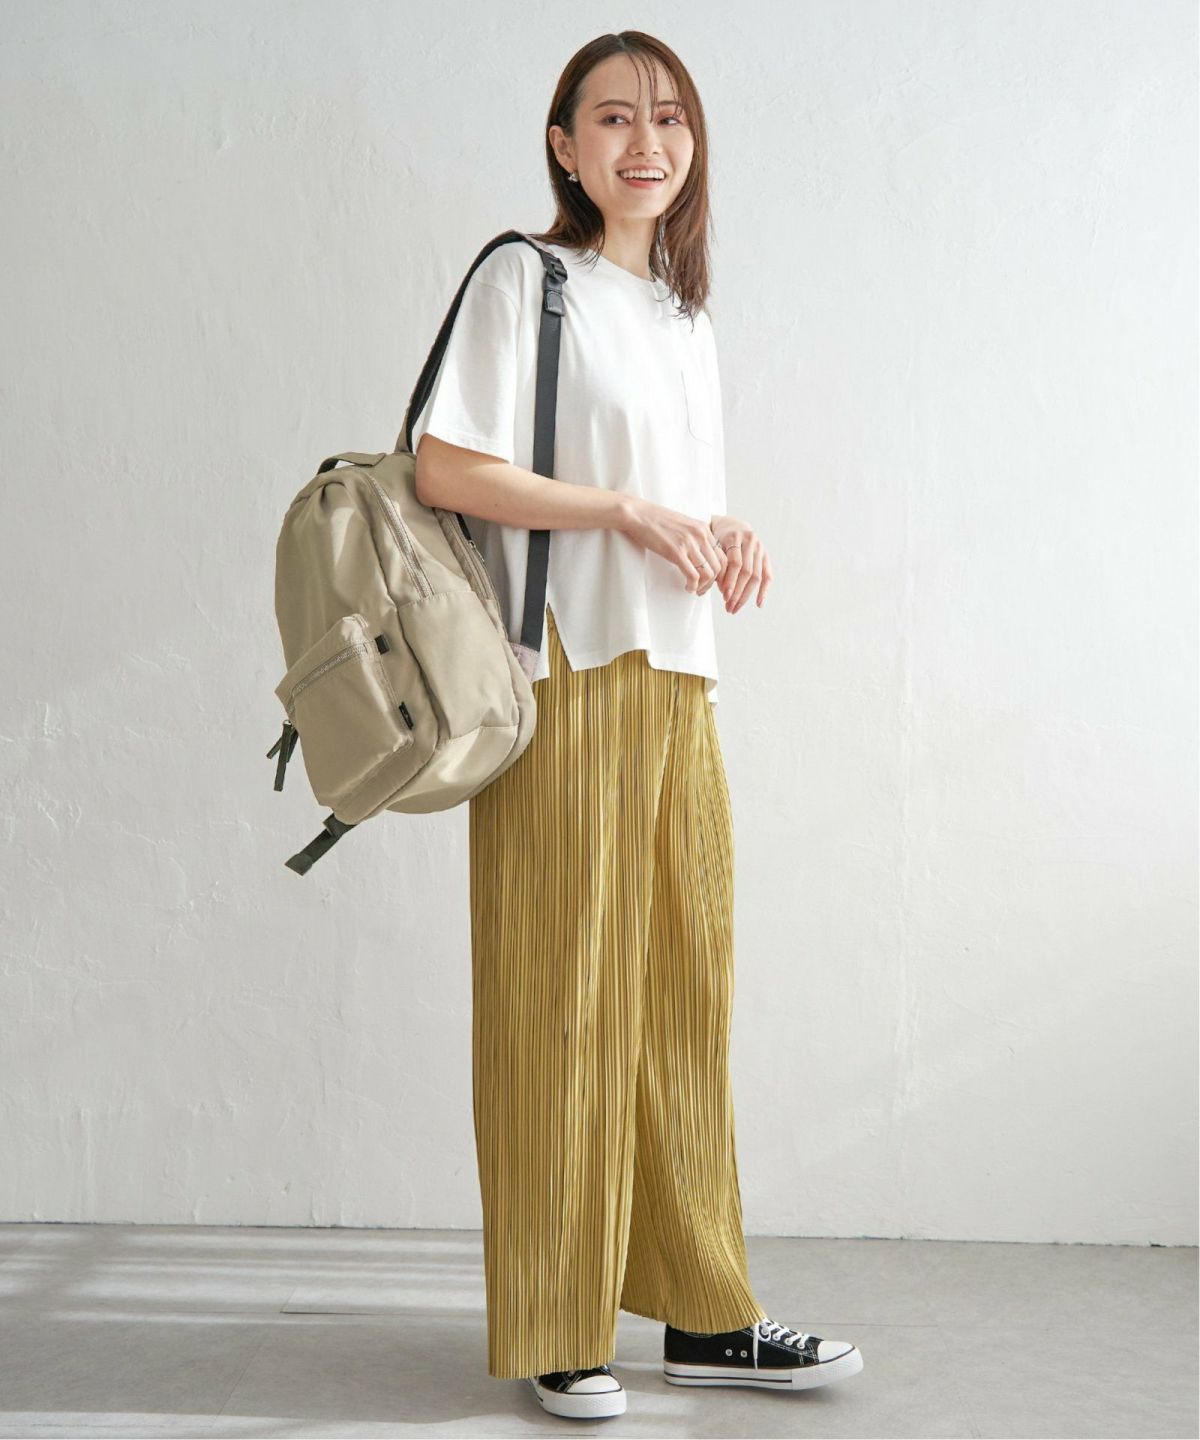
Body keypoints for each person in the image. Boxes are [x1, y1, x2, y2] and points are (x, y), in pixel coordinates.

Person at [410, 30, 864, 1422]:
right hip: (561, 673)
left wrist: (721, 532)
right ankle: (563, 1325)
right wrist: (621, 511)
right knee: (562, 998)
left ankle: (706, 1311)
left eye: (668, 117)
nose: (645, 141)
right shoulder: (526, 279)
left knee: (681, 992)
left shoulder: (681, 318)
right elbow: (446, 465)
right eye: (612, 118)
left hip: (678, 678)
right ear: (565, 147)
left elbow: (662, 497)